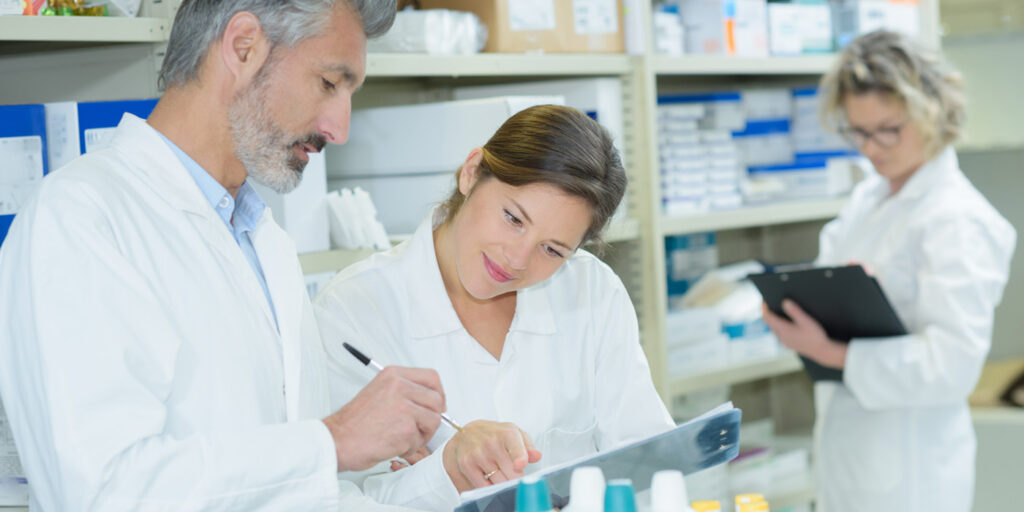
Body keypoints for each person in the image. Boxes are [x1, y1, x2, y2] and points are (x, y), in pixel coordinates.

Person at [0, 0, 452, 509]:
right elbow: (102, 492)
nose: (339, 129)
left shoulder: (265, 242)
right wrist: (333, 441)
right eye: (329, 83)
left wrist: (447, 481)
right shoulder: (80, 219)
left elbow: (303, 494)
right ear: (244, 47)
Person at [313, 104, 675, 511]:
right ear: (471, 172)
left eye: (552, 249)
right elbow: (331, 497)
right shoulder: (353, 310)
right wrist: (445, 471)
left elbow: (646, 467)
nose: (517, 259)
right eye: (513, 218)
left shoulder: (591, 292)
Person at [761, 30, 1015, 512]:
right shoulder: (868, 200)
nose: (872, 148)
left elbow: (952, 366)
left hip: (913, 475)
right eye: (859, 132)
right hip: (850, 457)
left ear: (933, 112)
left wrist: (834, 353)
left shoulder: (957, 218)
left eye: (888, 130)